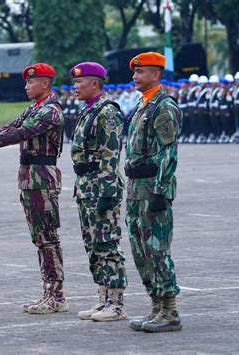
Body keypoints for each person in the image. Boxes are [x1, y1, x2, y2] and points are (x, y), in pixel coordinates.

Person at [0, 63, 68, 314]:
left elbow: (23, 133)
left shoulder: (50, 111)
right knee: (40, 239)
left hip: (42, 178)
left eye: (31, 82)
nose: (26, 86)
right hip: (29, 178)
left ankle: (57, 296)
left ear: (45, 83)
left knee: (48, 238)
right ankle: (48, 292)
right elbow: (10, 127)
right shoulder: (34, 108)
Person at [125, 52, 182, 332]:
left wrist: (161, 189)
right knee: (140, 249)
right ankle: (156, 305)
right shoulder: (142, 104)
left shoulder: (163, 106)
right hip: (136, 188)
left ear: (156, 74)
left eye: (140, 72)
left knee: (157, 249)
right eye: (135, 72)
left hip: (152, 188)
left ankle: (170, 311)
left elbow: (168, 151)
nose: (135, 77)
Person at [69, 62, 128, 322]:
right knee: (93, 245)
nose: (75, 86)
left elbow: (110, 153)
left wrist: (106, 190)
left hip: (100, 186)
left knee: (107, 244)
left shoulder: (107, 112)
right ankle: (103, 298)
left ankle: (116, 304)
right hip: (86, 186)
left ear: (95, 83)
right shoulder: (89, 110)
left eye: (80, 82)